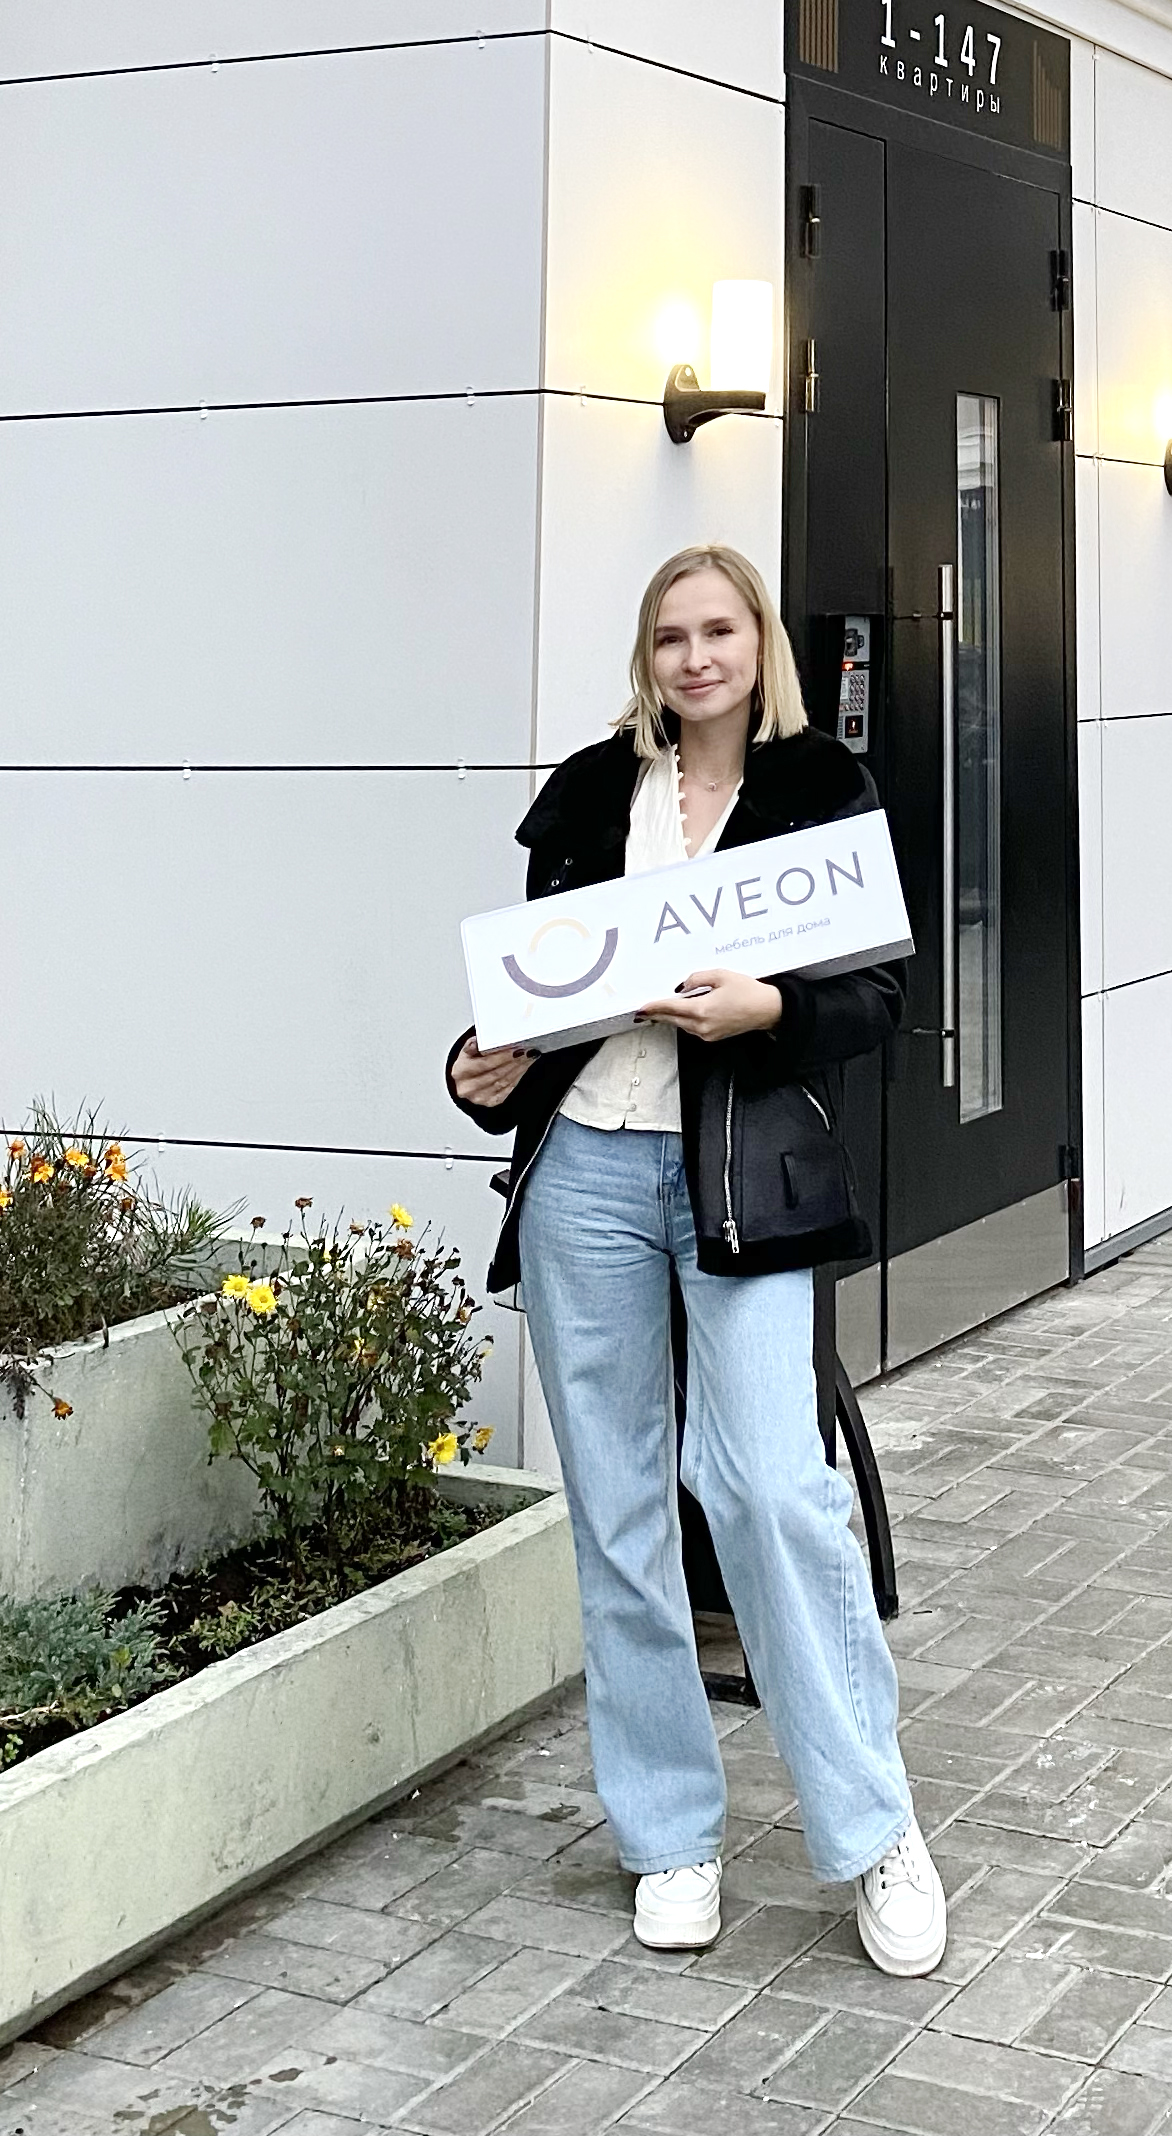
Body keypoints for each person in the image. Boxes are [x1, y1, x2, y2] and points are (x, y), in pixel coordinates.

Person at [447, 542, 945, 1978]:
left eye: (719, 631)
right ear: (648, 656)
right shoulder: (592, 793)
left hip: (742, 1184)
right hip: (586, 1174)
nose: (695, 658)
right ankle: (669, 1834)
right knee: (617, 1511)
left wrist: (768, 1009)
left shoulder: (819, 791)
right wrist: (477, 1066)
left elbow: (877, 998)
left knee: (775, 1487)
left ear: (757, 642)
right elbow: (535, 997)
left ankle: (875, 1829)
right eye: (672, 636)